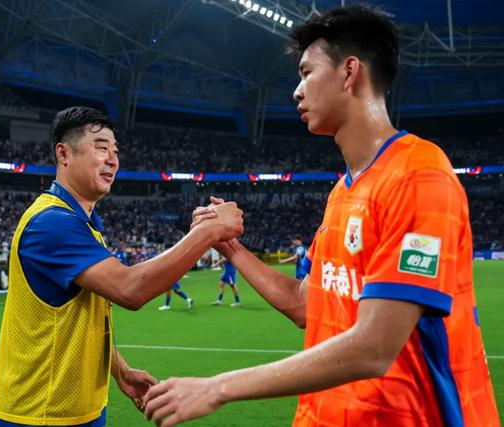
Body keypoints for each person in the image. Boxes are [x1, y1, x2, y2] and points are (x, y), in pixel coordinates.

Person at [143, 5, 500, 427]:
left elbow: (375, 345)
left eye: (306, 73)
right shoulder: (342, 192)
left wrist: (218, 387)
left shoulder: (419, 175)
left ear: (349, 72)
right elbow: (305, 304)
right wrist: (228, 246)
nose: (297, 92)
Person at [0, 106, 243, 427]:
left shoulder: (83, 224)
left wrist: (120, 371)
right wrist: (209, 232)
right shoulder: (51, 223)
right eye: (101, 148)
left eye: (115, 151)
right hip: (40, 415)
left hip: (79, 410)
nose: (112, 159)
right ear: (63, 154)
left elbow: (87, 317)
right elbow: (130, 289)